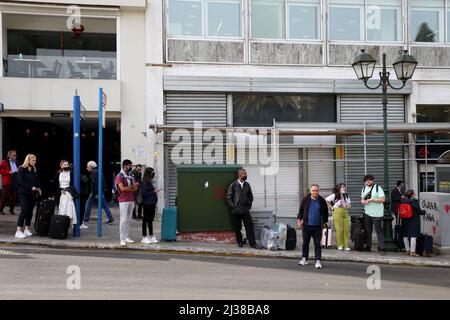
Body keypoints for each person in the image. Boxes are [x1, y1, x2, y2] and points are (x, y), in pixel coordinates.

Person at [297, 184, 329, 269]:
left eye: (316, 190)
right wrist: (299, 221)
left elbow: (325, 213)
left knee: (317, 244)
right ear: (310, 191)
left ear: (319, 191)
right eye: (313, 190)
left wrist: (325, 223)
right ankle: (304, 259)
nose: (315, 192)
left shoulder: (322, 200)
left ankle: (317, 260)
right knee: (305, 243)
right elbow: (301, 210)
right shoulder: (305, 199)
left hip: (317, 227)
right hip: (306, 225)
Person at [226, 168, 259, 249]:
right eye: (244, 173)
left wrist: (248, 206)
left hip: (245, 210)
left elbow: (251, 197)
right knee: (237, 228)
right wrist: (234, 206)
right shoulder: (233, 185)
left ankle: (252, 243)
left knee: (249, 227)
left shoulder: (247, 185)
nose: (246, 175)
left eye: (245, 173)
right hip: (236, 211)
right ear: (240, 175)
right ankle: (240, 242)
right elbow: (228, 197)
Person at [82, 161, 115, 229]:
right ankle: (110, 218)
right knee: (103, 205)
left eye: (88, 167)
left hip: (97, 191)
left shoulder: (95, 172)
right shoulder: (97, 171)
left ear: (91, 167)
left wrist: (96, 193)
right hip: (98, 191)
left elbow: (96, 184)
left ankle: (86, 219)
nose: (87, 168)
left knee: (89, 204)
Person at [15, 154, 41, 239]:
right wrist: (31, 187)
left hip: (32, 194)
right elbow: (20, 182)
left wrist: (39, 188)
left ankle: (26, 229)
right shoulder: (21, 169)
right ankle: (18, 231)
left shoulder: (34, 169)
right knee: (24, 210)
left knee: (30, 211)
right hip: (23, 193)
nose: (34, 162)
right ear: (28, 160)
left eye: (35, 160)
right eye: (33, 160)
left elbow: (37, 180)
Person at [116, 159, 139, 246]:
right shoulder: (119, 176)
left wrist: (130, 187)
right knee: (123, 220)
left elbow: (135, 188)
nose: (130, 167)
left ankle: (126, 236)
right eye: (129, 165)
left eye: (130, 165)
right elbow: (122, 189)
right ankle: (122, 239)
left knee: (128, 219)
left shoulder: (131, 176)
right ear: (124, 166)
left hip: (131, 199)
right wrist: (132, 186)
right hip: (123, 201)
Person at [361, 174, 386, 252]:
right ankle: (368, 246)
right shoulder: (363, 189)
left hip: (377, 213)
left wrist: (372, 200)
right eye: (367, 180)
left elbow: (383, 200)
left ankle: (382, 247)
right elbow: (362, 199)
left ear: (373, 180)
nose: (368, 181)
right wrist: (363, 201)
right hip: (367, 213)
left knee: (379, 230)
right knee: (368, 231)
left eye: (370, 180)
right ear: (364, 182)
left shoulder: (378, 188)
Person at [50, 160, 77, 225]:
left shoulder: (71, 173)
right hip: (60, 193)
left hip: (69, 193)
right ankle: (62, 226)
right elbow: (54, 184)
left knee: (69, 209)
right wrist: (52, 195)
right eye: (64, 165)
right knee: (61, 209)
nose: (66, 166)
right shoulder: (57, 173)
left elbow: (73, 184)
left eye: (67, 165)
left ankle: (68, 224)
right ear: (61, 166)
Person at [326, 183, 351, 251]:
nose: (344, 188)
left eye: (344, 187)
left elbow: (349, 204)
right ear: (339, 188)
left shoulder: (346, 195)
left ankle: (346, 245)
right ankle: (340, 245)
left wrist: (347, 207)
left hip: (345, 212)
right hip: (337, 212)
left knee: (346, 229)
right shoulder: (334, 195)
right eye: (342, 187)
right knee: (339, 229)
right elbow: (326, 200)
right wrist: (331, 207)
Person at [401, 190, 426, 257]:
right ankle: (412, 252)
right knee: (413, 236)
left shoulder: (403, 201)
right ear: (412, 195)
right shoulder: (414, 201)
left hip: (405, 220)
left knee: (405, 235)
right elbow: (419, 211)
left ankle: (407, 250)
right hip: (413, 220)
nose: (415, 194)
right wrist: (424, 212)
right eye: (414, 193)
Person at [140, 167, 161, 244]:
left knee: (150, 220)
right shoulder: (145, 182)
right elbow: (144, 194)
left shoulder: (149, 181)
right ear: (149, 173)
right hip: (147, 203)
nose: (153, 174)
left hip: (152, 203)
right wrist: (154, 191)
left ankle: (151, 236)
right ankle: (144, 236)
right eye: (152, 172)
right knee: (145, 220)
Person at [0, 150, 18, 215]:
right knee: (4, 196)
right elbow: (1, 170)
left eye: (16, 155)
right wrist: (8, 172)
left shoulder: (16, 162)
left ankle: (11, 210)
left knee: (13, 198)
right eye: (14, 155)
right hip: (7, 182)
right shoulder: (4, 162)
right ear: (9, 155)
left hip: (14, 182)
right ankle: (1, 209)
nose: (15, 156)